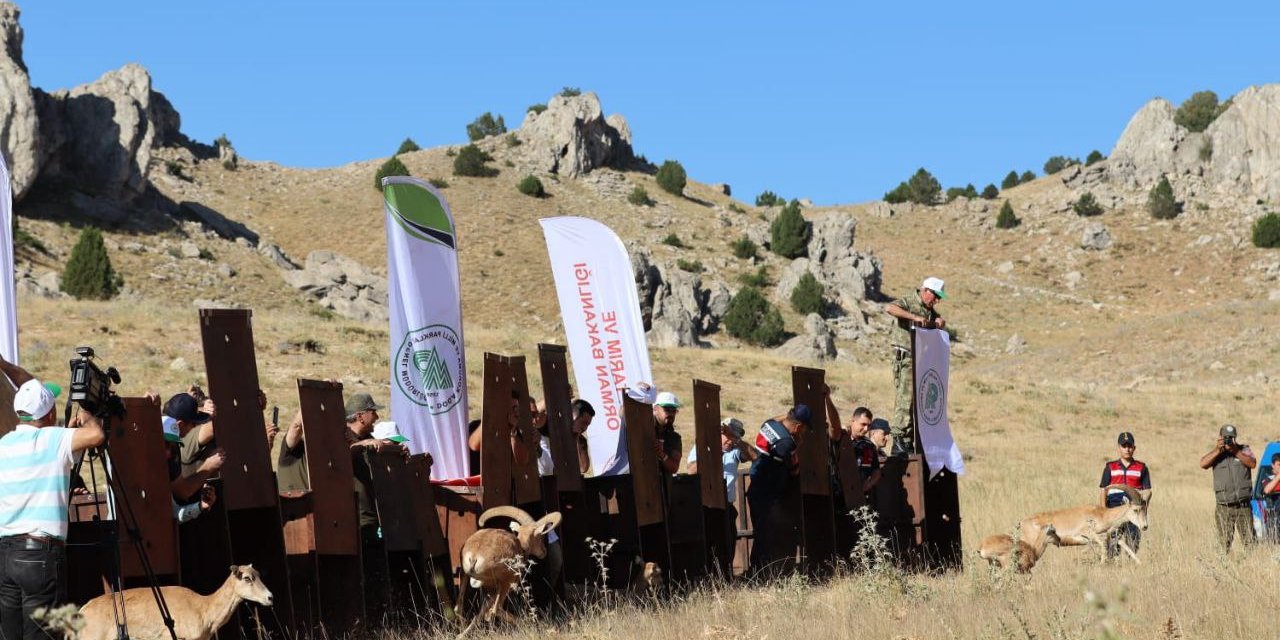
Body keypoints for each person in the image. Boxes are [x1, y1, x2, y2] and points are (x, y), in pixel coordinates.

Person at [0, 357, 105, 640]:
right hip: (40, 555)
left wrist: (5, 366)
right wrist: (87, 412)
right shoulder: (54, 439)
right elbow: (96, 435)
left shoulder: (4, 445)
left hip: (6, 553)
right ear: (48, 416)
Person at [884, 276, 947, 455]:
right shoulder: (909, 301)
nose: (937, 301)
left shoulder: (930, 310)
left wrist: (940, 323)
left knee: (917, 401)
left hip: (921, 360)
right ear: (926, 290)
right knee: (906, 398)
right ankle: (899, 438)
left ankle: (908, 440)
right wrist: (914, 317)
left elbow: (937, 321)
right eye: (935, 296)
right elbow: (890, 308)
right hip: (906, 357)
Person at [745, 404, 810, 576]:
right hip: (769, 495)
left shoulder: (768, 425)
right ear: (798, 427)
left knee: (760, 534)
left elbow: (778, 419)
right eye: (804, 430)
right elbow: (795, 470)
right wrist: (800, 444)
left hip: (756, 489)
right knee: (769, 537)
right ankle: (761, 574)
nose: (803, 434)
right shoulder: (787, 443)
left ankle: (758, 572)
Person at [686, 417, 756, 566]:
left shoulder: (735, 451)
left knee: (728, 544)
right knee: (707, 545)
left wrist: (736, 439)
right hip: (706, 506)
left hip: (726, 507)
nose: (730, 440)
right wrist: (713, 454)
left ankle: (725, 577)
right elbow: (691, 471)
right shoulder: (703, 446)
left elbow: (755, 456)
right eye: (727, 435)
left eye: (734, 436)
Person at [1199, 424, 1257, 550]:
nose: (1229, 440)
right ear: (1220, 437)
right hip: (1224, 506)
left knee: (1250, 542)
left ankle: (1251, 567)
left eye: (1231, 437)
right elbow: (1203, 463)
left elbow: (1252, 463)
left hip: (1243, 506)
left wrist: (1236, 451)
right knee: (1224, 544)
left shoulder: (1244, 449)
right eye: (1226, 437)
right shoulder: (1216, 453)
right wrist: (1217, 449)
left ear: (1235, 438)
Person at [1099, 432, 1151, 560]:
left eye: (1130, 446)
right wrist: (1103, 512)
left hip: (1134, 507)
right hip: (1114, 505)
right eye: (1124, 446)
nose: (1127, 449)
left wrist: (1143, 508)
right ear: (1119, 447)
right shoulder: (1110, 467)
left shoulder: (1141, 467)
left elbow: (1148, 490)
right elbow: (1103, 490)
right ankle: (1111, 563)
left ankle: (1130, 564)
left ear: (1134, 448)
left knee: (1133, 537)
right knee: (1112, 539)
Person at [536, 398, 594, 477]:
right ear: (572, 415)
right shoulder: (551, 424)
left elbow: (583, 468)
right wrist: (555, 395)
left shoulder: (580, 441)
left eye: (587, 425)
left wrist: (575, 439)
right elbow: (534, 412)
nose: (585, 428)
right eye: (584, 422)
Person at [652, 392, 683, 476]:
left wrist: (662, 455)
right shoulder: (644, 430)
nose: (670, 414)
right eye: (666, 409)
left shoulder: (675, 438)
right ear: (655, 409)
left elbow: (674, 468)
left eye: (673, 411)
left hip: (664, 486)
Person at [1257, 453, 1280, 542]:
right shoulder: (1267, 478)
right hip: (1273, 518)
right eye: (1279, 465)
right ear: (1272, 465)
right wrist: (1278, 477)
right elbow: (1267, 490)